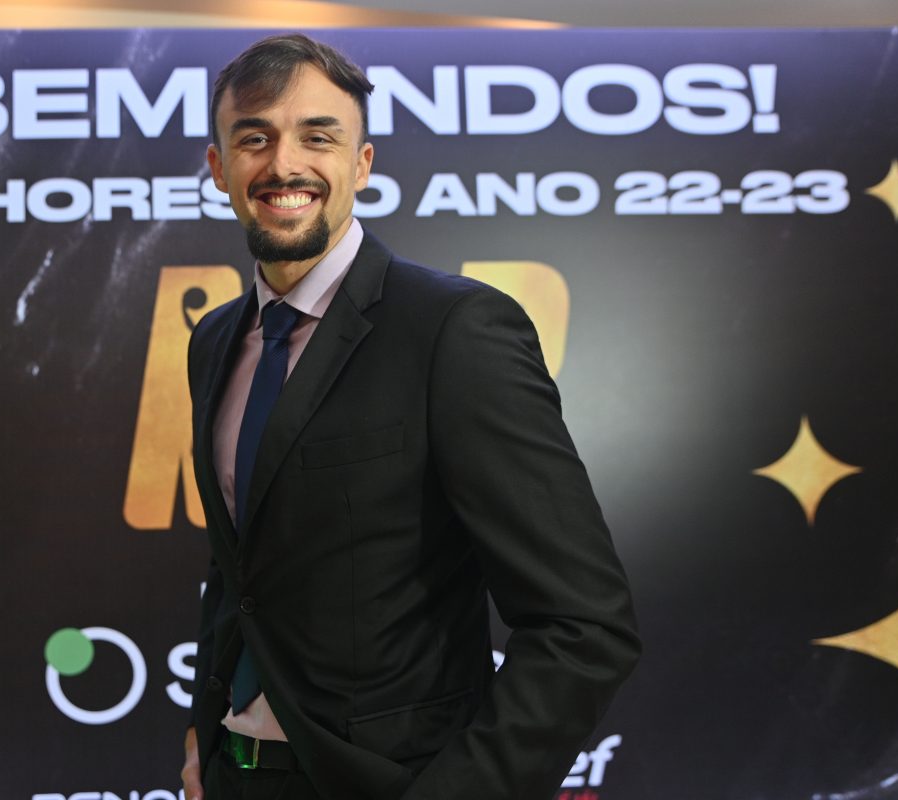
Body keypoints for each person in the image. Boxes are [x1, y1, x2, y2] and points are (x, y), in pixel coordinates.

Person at [182, 33, 640, 800]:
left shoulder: (455, 330)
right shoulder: (215, 341)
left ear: (362, 163)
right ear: (219, 166)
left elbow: (584, 626)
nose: (284, 165)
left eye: (318, 137)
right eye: (253, 138)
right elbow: (239, 572)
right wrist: (204, 734)